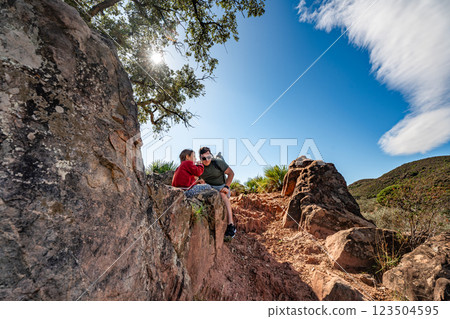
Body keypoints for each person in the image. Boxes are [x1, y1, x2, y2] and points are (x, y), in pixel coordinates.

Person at [197, 147, 236, 238]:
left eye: (209, 157)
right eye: (203, 158)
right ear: (200, 158)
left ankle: (231, 225)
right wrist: (201, 182)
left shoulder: (218, 162)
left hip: (222, 186)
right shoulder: (198, 167)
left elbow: (231, 173)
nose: (206, 160)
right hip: (209, 186)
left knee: (222, 195)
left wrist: (226, 186)